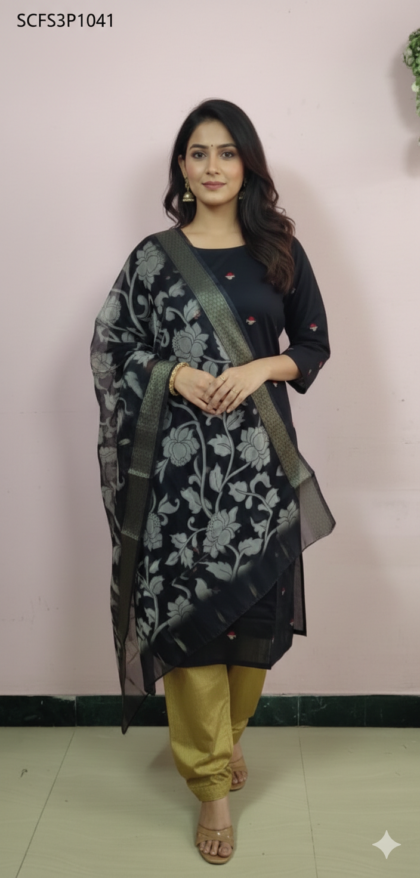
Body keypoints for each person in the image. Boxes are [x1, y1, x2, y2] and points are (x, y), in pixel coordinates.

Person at [90, 98, 335, 865]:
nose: (212, 166)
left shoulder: (280, 252)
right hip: (178, 481)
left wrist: (262, 367)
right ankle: (211, 792)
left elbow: (314, 344)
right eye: (198, 152)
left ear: (247, 165)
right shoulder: (153, 259)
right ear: (182, 168)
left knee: (252, 626)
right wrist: (176, 374)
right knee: (192, 630)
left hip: (260, 475)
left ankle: (224, 740)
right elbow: (111, 345)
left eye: (227, 152)